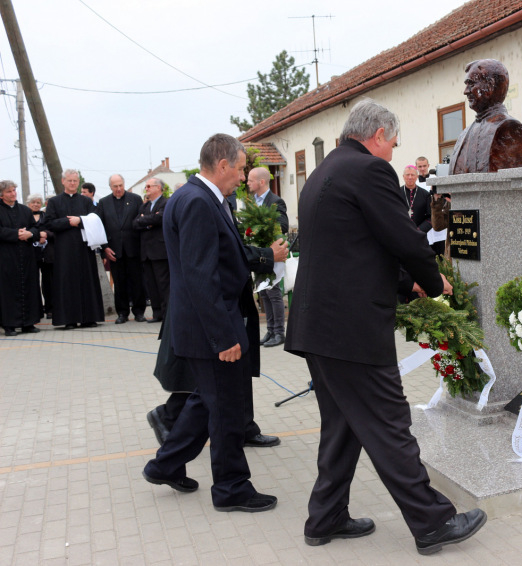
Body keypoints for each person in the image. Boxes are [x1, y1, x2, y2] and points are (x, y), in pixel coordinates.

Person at [285, 99, 486, 554]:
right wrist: (433, 281)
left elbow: (353, 247)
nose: (394, 153)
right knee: (389, 423)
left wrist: (405, 283)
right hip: (350, 330)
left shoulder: (323, 171)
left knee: (342, 425)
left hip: (317, 325)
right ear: (377, 135)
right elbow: (402, 238)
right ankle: (432, 522)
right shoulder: (370, 171)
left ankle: (325, 517)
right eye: (393, 143)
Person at [142, 133, 279, 513]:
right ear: (222, 165)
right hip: (211, 329)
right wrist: (223, 337)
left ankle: (165, 465)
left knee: (206, 401)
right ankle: (232, 489)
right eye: (240, 169)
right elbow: (201, 276)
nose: (243, 177)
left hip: (203, 324)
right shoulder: (198, 202)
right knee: (227, 410)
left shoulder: (194, 196)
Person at [43, 170, 104, 329]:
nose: (72, 183)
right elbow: (49, 223)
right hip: (64, 249)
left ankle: (89, 318)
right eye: (69, 180)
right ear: (63, 181)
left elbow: (95, 219)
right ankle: (69, 319)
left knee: (87, 280)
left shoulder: (86, 201)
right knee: (67, 283)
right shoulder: (54, 202)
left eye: (75, 181)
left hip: (84, 248)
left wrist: (80, 220)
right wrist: (68, 222)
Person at [449, 59, 522, 174]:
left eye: (471, 84)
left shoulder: (509, 128)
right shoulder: (465, 133)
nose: (466, 91)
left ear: (489, 86)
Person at [246, 167, 289, 348]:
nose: (247, 183)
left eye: (250, 180)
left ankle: (279, 332)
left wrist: (260, 227)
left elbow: (283, 225)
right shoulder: (252, 201)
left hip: (273, 252)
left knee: (273, 292)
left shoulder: (275, 201)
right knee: (263, 291)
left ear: (261, 182)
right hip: (259, 252)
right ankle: (270, 330)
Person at [97, 174, 147, 323]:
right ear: (110, 187)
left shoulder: (135, 199)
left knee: (137, 282)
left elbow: (141, 221)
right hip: (114, 250)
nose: (119, 189)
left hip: (133, 248)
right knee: (119, 283)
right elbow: (100, 227)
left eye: (120, 185)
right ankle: (122, 313)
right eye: (115, 186)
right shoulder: (104, 202)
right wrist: (105, 248)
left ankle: (139, 312)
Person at [0, 180, 44, 336]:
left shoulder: (25, 210)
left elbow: (36, 228)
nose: (13, 194)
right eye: (9, 191)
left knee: (29, 286)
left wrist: (30, 234)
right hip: (6, 257)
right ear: (1, 195)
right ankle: (9, 325)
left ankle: (28, 323)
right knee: (8, 291)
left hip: (26, 256)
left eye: (14, 190)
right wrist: (16, 234)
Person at [133, 177, 169, 323]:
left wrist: (146, 220)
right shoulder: (145, 206)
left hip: (160, 251)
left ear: (158, 188)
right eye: (146, 186)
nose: (146, 189)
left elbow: (160, 219)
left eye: (149, 186)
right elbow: (135, 223)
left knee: (163, 284)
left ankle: (167, 314)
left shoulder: (166, 203)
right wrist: (148, 221)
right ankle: (157, 313)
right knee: (152, 285)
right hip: (146, 252)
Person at [27, 194, 53, 318]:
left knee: (48, 282)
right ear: (28, 204)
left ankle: (50, 308)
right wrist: (37, 236)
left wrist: (45, 235)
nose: (36, 204)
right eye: (33, 202)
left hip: (46, 253)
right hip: (30, 253)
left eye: (38, 202)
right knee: (32, 281)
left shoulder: (45, 216)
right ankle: (35, 310)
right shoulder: (25, 216)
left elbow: (52, 229)